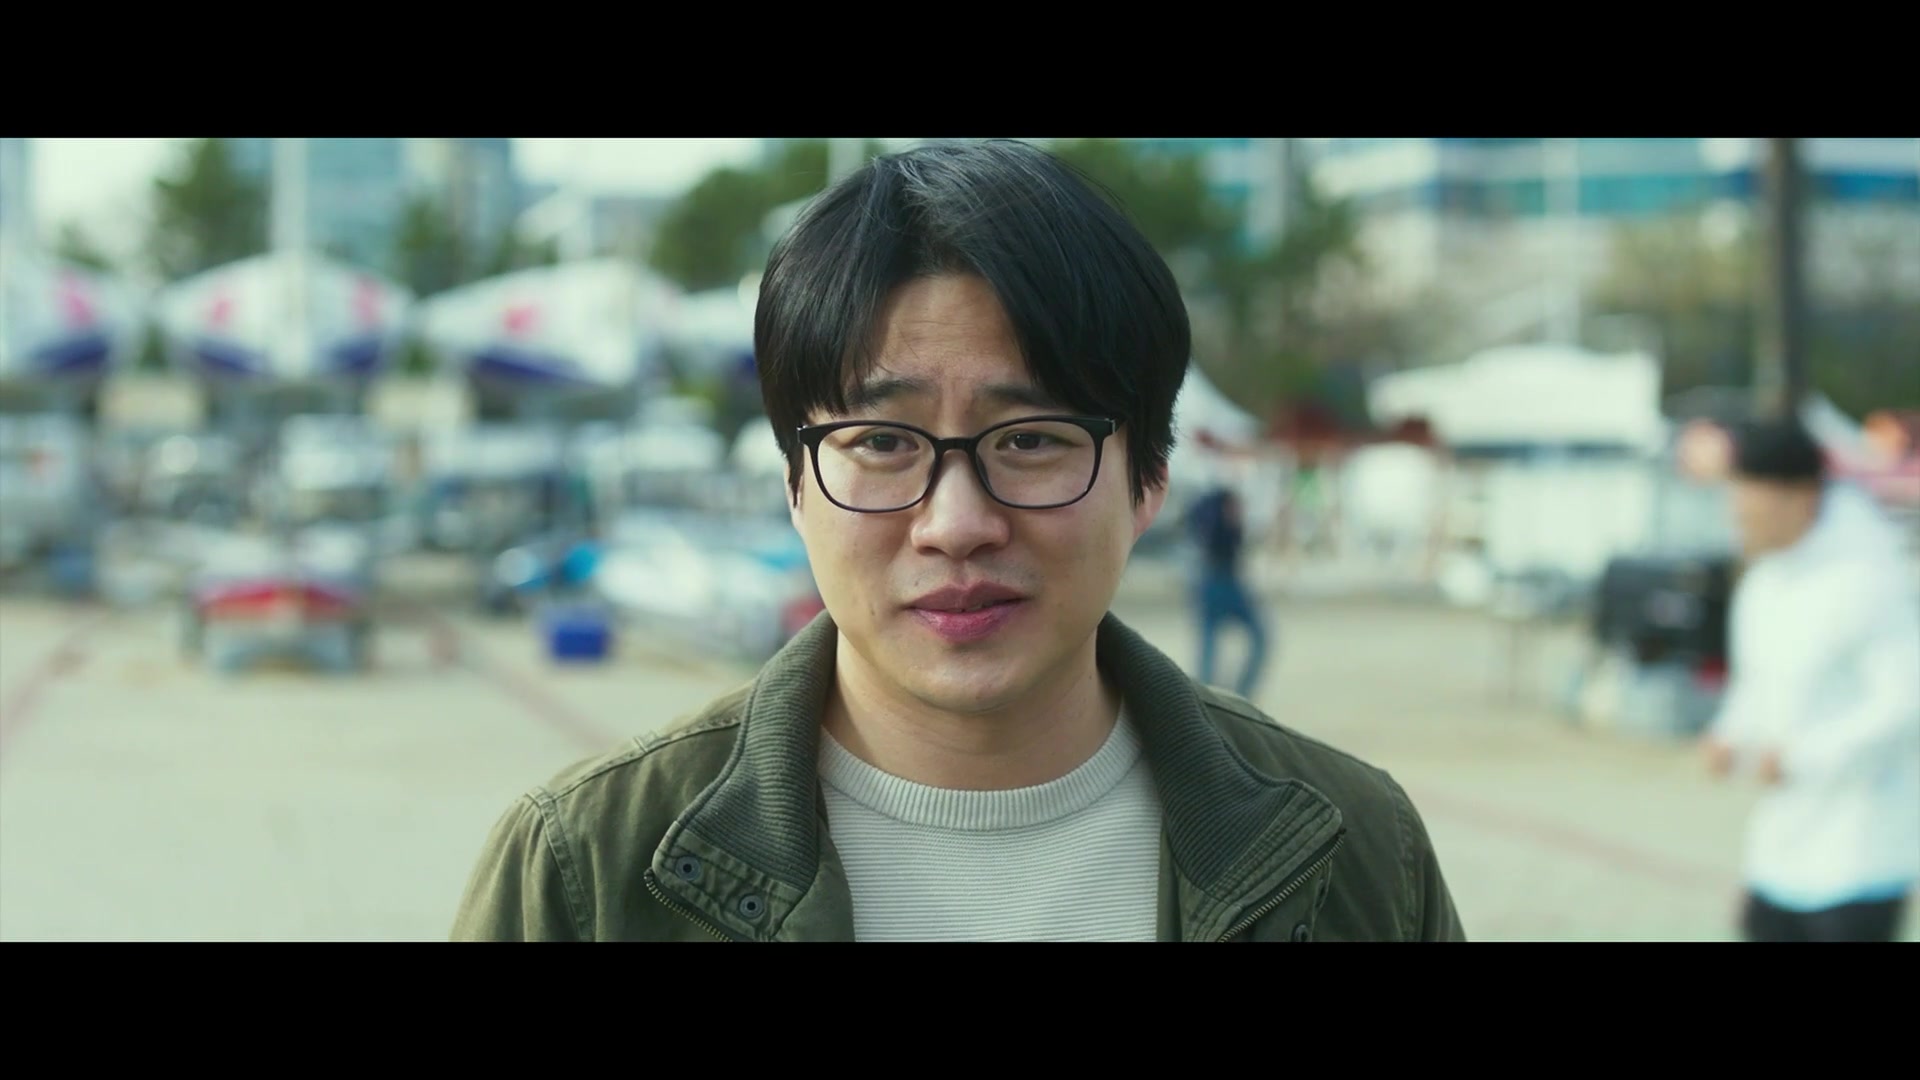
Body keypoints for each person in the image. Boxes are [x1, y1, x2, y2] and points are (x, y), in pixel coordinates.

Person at [450, 139, 1464, 942]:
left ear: (1150, 478)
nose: (957, 525)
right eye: (882, 443)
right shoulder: (586, 873)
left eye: (1031, 440)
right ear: (795, 483)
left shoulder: (1360, 856)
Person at [1701, 414, 1920, 943]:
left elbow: (1906, 701)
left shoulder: (1870, 577)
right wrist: (1730, 733)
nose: (1738, 517)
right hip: (1778, 852)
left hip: (1860, 856)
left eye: (1749, 505)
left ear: (1800, 497)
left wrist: (1804, 757)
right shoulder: (1764, 580)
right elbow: (1756, 683)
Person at [1186, 484, 1269, 699]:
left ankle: (1224, 697)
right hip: (1218, 580)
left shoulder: (1214, 522)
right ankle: (1225, 697)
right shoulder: (1217, 523)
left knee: (1210, 649)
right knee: (1209, 650)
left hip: (1220, 579)